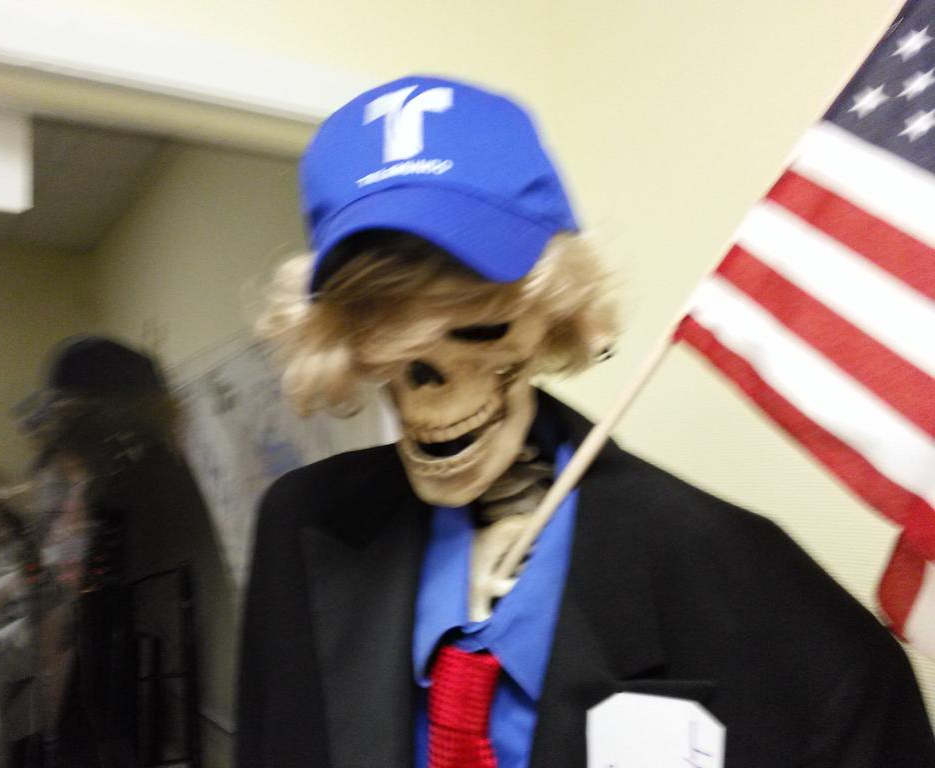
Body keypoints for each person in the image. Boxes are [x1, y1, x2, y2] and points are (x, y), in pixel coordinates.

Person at [235, 75, 935, 767]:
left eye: (476, 325)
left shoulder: (758, 595)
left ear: (553, 312)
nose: (427, 379)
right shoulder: (302, 529)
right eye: (381, 335)